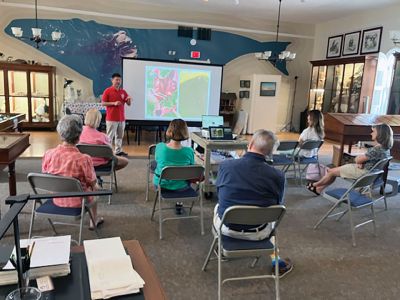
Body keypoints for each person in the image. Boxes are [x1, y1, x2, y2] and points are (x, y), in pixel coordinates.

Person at [214, 129, 293, 277]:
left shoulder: (226, 166)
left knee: (219, 206)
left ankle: (221, 245)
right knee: (270, 215)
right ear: (270, 153)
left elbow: (220, 195)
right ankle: (277, 262)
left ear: (249, 144)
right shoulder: (278, 176)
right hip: (259, 231)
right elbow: (277, 206)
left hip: (227, 228)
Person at [42, 115, 103, 229]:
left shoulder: (48, 154)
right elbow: (93, 184)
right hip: (79, 202)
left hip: (56, 199)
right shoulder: (84, 159)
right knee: (95, 190)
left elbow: (46, 176)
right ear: (79, 135)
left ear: (60, 133)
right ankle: (93, 221)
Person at [307, 123, 393, 195]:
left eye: (373, 132)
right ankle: (319, 189)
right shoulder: (386, 149)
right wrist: (361, 161)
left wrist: (359, 161)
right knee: (333, 172)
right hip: (371, 173)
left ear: (380, 134)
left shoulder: (376, 149)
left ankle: (315, 184)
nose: (371, 133)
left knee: (331, 171)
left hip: (363, 173)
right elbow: (369, 161)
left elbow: (357, 160)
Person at [153, 119, 194, 214]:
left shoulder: (159, 147)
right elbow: (191, 168)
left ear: (169, 131)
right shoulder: (189, 151)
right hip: (182, 187)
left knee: (155, 165)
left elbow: (157, 160)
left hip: (161, 186)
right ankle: (179, 203)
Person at [102, 73, 131, 156]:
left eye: (119, 80)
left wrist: (129, 100)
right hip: (111, 118)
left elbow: (128, 104)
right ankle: (108, 152)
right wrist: (113, 103)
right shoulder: (107, 90)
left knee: (120, 136)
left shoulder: (123, 91)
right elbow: (103, 103)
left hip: (121, 118)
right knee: (110, 137)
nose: (118, 81)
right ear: (112, 80)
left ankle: (118, 151)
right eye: (116, 80)